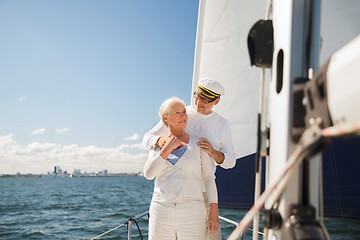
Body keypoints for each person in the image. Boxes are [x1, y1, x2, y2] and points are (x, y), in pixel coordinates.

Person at [143, 78, 236, 240]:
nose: (199, 103)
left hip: (203, 193)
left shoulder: (221, 124)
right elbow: (148, 138)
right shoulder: (180, 111)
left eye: (205, 100)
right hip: (168, 197)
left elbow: (230, 161)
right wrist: (161, 142)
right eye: (197, 97)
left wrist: (213, 152)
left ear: (217, 101)